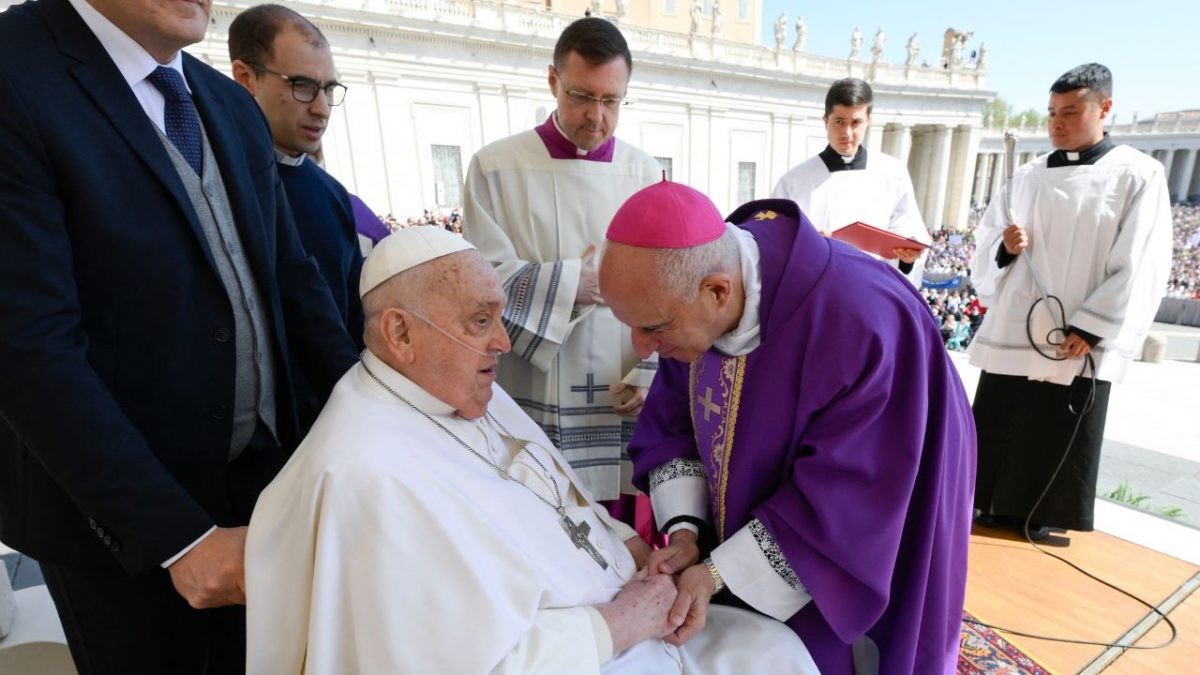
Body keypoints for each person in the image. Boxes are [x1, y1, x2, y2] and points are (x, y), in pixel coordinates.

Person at [245, 227, 820, 674]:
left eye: (499, 316)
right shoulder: (364, 473)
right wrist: (618, 623)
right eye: (479, 321)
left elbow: (559, 499)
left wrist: (631, 549)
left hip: (621, 622)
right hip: (590, 648)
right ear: (400, 334)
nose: (503, 341)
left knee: (774, 648)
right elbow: (460, 661)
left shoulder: (458, 386)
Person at [0, 0, 359, 672]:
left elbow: (294, 284)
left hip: (266, 488)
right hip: (125, 527)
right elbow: (26, 345)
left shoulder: (224, 102)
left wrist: (387, 418)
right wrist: (178, 537)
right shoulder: (15, 73)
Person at [598, 180, 975, 675]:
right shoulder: (690, 286)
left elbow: (846, 503)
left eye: (654, 328)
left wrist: (714, 574)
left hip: (876, 508)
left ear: (718, 291)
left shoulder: (858, 322)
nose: (642, 347)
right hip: (767, 523)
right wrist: (688, 535)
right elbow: (674, 423)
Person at [462, 18, 660, 516]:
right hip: (530, 388)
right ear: (553, 81)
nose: (597, 116)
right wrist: (575, 284)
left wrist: (651, 372)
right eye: (581, 96)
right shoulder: (496, 166)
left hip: (619, 389)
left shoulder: (646, 173)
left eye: (611, 101)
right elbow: (481, 283)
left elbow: (671, 288)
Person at [968, 63, 1171, 540]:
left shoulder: (1138, 174)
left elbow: (1141, 258)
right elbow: (988, 237)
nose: (1057, 123)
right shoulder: (1026, 175)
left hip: (1079, 334)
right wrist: (1005, 246)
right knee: (1006, 414)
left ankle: (1045, 514)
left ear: (1105, 108)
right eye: (1052, 113)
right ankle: (989, 504)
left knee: (1058, 422)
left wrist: (1093, 325)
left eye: (1070, 112)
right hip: (1018, 320)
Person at [229, 4, 364, 425]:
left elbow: (353, 320)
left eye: (329, 89)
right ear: (245, 78)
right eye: (302, 86)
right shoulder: (216, 184)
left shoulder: (334, 196)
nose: (322, 108)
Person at [771, 78, 930, 283]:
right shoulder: (793, 181)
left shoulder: (893, 173)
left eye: (855, 122)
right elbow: (776, 243)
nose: (847, 133)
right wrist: (808, 244)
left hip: (873, 287)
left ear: (868, 121)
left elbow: (908, 228)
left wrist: (908, 257)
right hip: (817, 289)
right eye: (839, 122)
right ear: (826, 121)